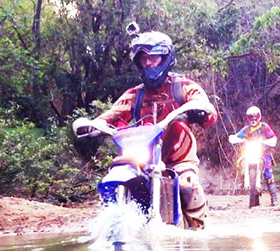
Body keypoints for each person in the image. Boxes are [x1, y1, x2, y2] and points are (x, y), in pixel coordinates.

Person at [75, 29, 218, 229]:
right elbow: (112, 114)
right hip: (142, 158)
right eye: (144, 59)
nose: (149, 63)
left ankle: (197, 233)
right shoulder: (134, 94)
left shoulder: (183, 87)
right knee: (119, 176)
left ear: (166, 58)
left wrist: (201, 111)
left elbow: (205, 107)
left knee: (188, 186)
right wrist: (94, 125)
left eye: (154, 57)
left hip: (179, 159)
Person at [228, 106, 279, 205]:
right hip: (249, 152)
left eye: (255, 116)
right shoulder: (247, 129)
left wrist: (268, 141)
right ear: (248, 118)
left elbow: (273, 138)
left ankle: (274, 198)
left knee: (268, 173)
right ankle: (245, 180)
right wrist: (233, 138)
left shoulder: (264, 127)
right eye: (250, 117)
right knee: (241, 164)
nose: (253, 119)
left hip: (263, 153)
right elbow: (238, 136)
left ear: (259, 116)